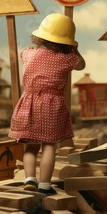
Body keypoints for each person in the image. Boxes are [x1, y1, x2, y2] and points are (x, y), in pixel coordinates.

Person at [9, 13, 85, 195]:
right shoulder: (67, 59)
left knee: (30, 147)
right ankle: (44, 185)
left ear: (39, 37)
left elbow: (22, 53)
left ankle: (29, 180)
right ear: (67, 43)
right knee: (49, 146)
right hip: (52, 106)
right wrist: (75, 49)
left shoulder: (30, 55)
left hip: (29, 104)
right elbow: (81, 65)